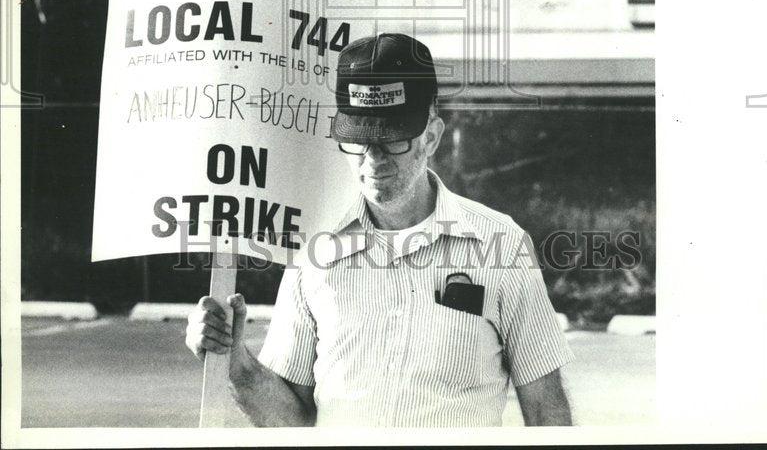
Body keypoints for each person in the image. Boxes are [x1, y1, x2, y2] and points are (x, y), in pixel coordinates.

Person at [186, 33, 573, 427]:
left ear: (432, 136)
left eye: (392, 140)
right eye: (358, 140)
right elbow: (293, 420)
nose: (373, 158)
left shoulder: (502, 246)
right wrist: (235, 362)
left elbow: (545, 409)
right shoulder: (315, 252)